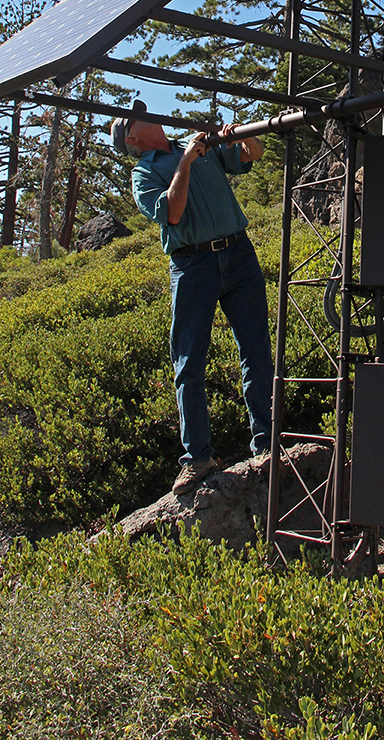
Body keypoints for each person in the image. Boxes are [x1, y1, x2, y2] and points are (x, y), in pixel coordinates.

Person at [112, 106, 273, 496]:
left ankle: (268, 443)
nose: (150, 115)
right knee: (189, 363)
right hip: (192, 266)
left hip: (238, 254)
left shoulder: (201, 147)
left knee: (256, 350)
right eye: (137, 118)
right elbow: (173, 211)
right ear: (131, 139)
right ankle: (197, 458)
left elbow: (255, 153)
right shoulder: (144, 173)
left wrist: (238, 136)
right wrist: (185, 160)